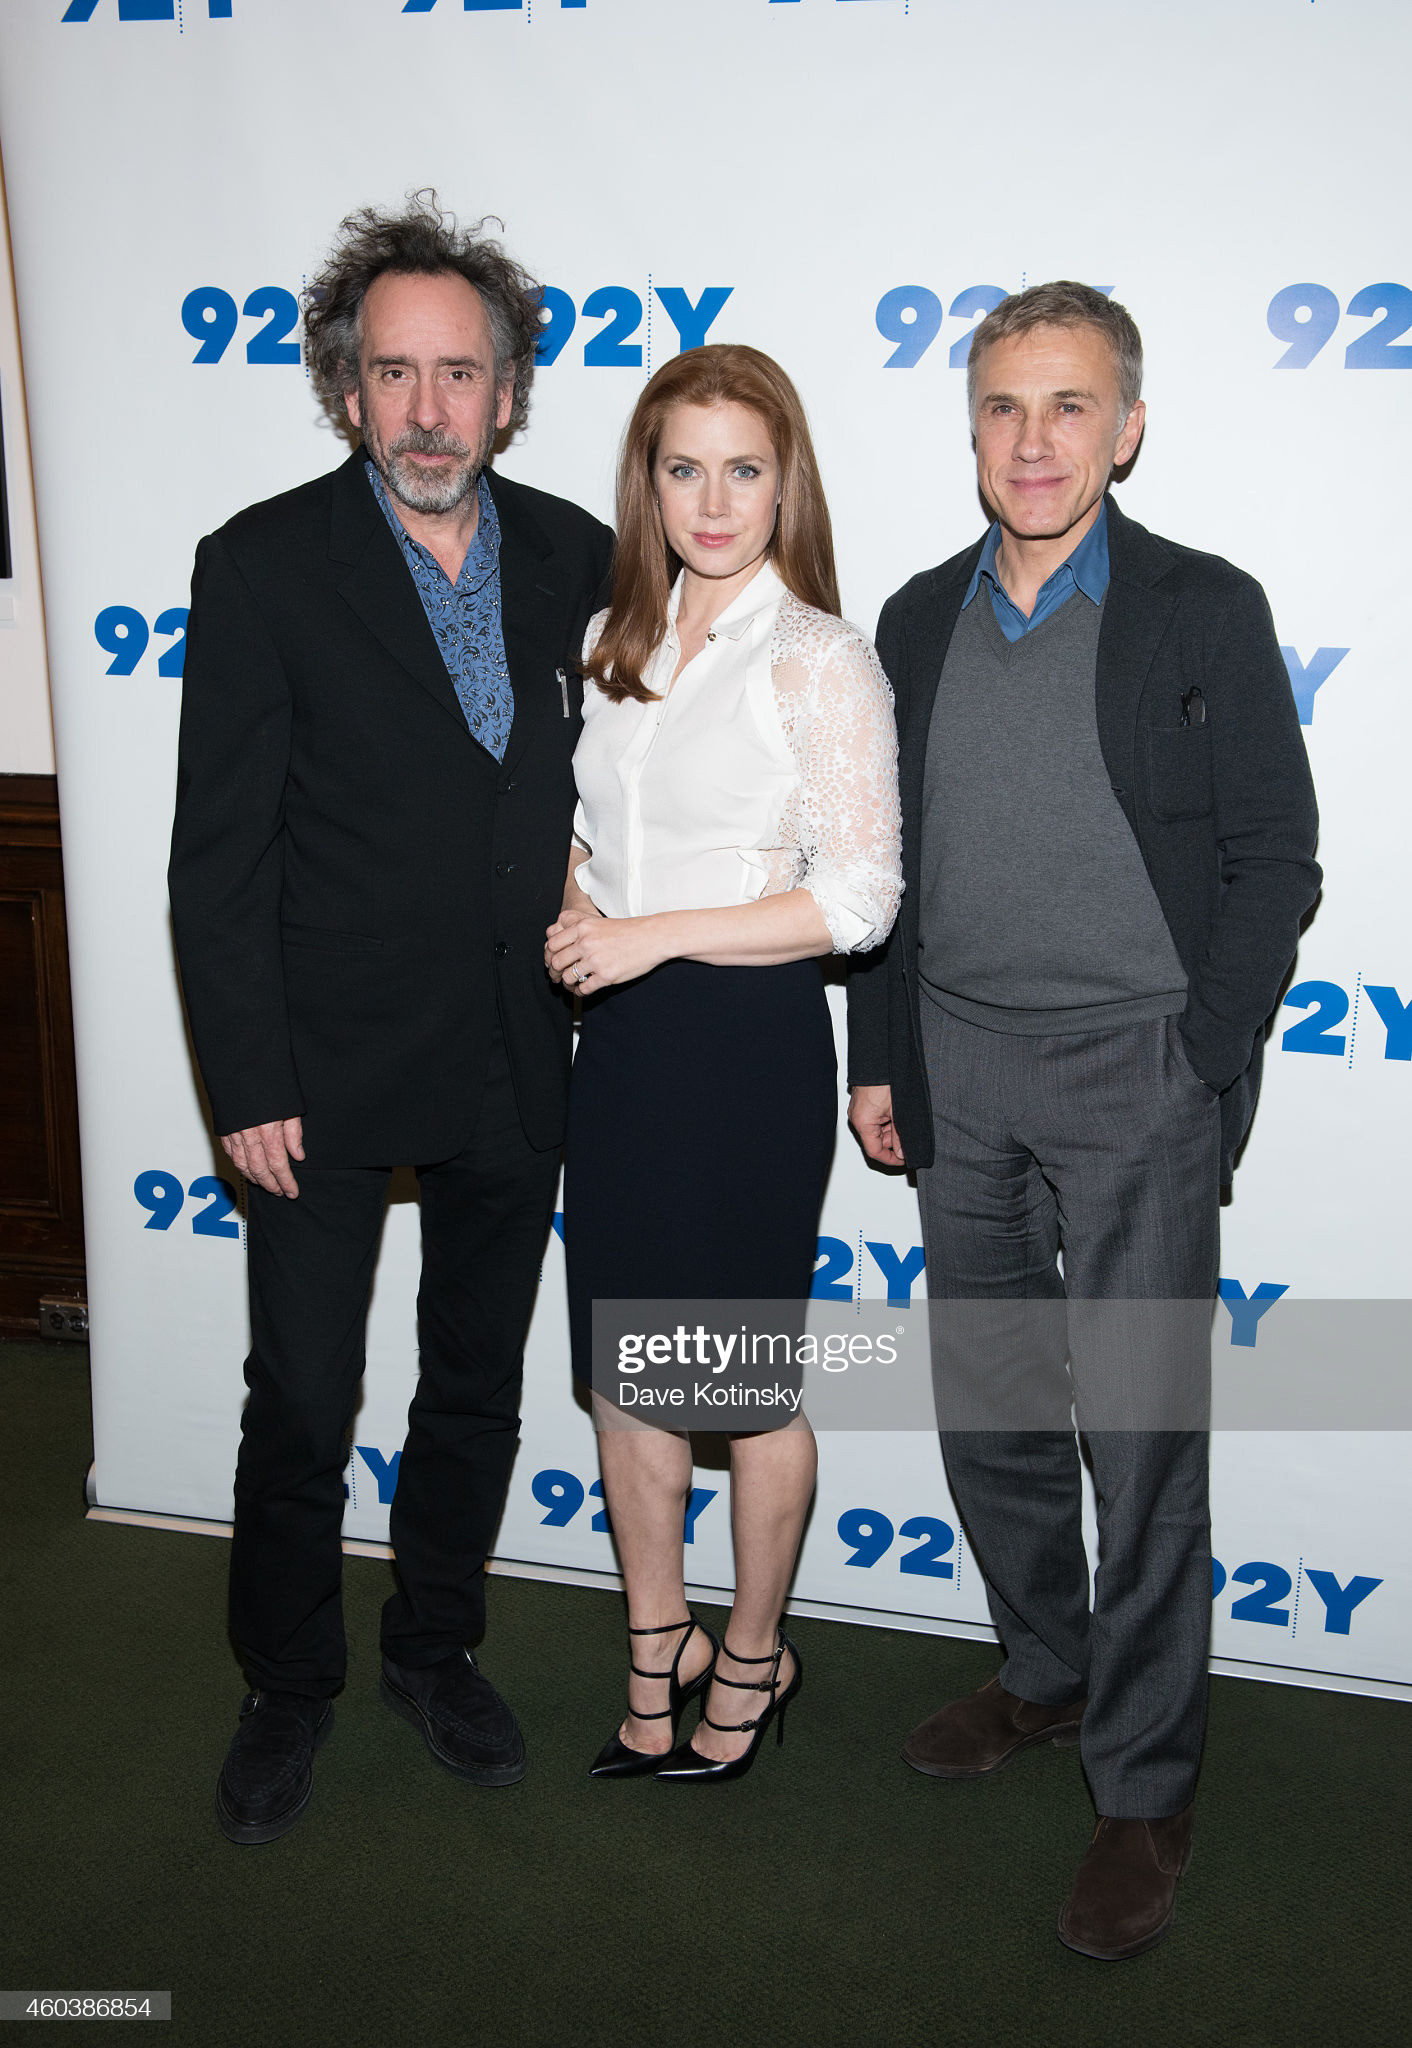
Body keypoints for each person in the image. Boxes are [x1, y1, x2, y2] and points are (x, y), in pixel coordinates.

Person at [847, 283, 1320, 1956]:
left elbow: (1279, 855)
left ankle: (1143, 1780)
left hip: (1140, 1076)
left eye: (1069, 408)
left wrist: (1201, 1049)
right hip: (959, 1067)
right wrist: (881, 1056)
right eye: (1002, 408)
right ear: (969, 429)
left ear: (1127, 427)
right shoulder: (910, 619)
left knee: (1142, 1441)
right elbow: (882, 874)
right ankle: (1044, 1677)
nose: (1033, 441)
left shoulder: (1204, 607)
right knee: (991, 1420)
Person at [168, 196, 613, 1844]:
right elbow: (217, 857)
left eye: (463, 374)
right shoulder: (263, 563)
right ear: (347, 388)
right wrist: (249, 1078)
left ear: (509, 391)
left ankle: (437, 1646)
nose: (430, 411)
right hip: (322, 1078)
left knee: (475, 1386)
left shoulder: (580, 551)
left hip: (521, 1059)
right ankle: (288, 1683)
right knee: (300, 1395)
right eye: (396, 375)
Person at [546, 345, 902, 1783]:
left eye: (742, 468)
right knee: (627, 1381)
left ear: (785, 481)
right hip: (621, 1055)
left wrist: (645, 939)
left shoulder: (818, 657)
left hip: (743, 1053)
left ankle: (751, 1658)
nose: (712, 497)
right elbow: (602, 835)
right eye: (682, 466)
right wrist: (579, 901)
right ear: (648, 481)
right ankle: (655, 1655)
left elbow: (862, 899)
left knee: (742, 1387)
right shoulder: (608, 643)